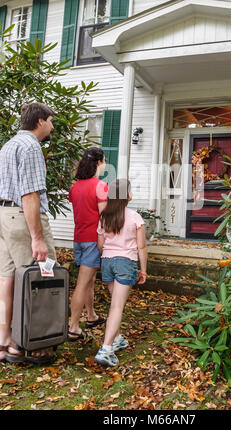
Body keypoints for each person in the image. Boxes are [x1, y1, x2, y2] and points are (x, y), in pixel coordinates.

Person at [0, 102, 56, 364]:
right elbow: (30, 194)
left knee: (7, 279)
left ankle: (6, 341)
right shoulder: (32, 146)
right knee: (38, 278)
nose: (53, 126)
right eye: (51, 121)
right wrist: (37, 238)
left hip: (4, 216)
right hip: (24, 219)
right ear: (41, 121)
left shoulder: (8, 145)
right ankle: (34, 344)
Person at [94, 179, 147, 367]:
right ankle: (106, 349)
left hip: (107, 262)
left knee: (114, 305)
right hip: (126, 262)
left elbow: (100, 245)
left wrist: (110, 253)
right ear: (128, 196)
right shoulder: (134, 217)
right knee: (117, 307)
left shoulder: (104, 217)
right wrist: (144, 270)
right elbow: (141, 246)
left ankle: (118, 339)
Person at [68, 147, 108, 341]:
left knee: (89, 280)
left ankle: (91, 316)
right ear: (99, 162)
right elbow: (104, 217)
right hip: (93, 240)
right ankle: (73, 326)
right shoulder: (99, 186)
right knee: (82, 284)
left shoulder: (75, 187)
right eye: (104, 161)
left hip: (78, 239)